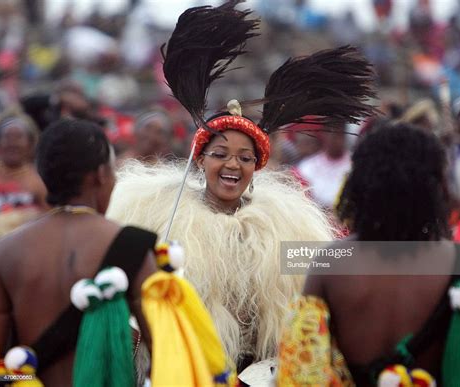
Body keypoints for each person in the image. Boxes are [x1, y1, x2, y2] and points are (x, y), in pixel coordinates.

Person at [107, 0, 376, 379]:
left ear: (257, 166)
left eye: (245, 159)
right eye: (221, 154)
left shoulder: (288, 225)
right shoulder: (153, 214)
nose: (233, 165)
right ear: (200, 160)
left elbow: (322, 283)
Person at [277, 122, 460, 386]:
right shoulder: (459, 261)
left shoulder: (330, 260)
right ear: (433, 188)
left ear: (360, 183)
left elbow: (301, 369)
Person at [0, 119, 157, 385]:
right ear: (101, 175)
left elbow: (0, 363)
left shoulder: (5, 250)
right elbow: (165, 352)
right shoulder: (133, 245)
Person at [0, 112, 48, 237]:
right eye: (7, 137)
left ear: (30, 145)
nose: (12, 143)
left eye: (18, 137)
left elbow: (49, 218)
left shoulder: (38, 180)